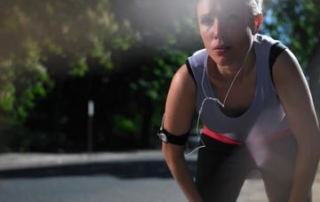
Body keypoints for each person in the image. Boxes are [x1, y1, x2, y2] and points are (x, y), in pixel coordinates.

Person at [157, 0, 320, 201]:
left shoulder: (279, 63)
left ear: (256, 23)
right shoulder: (187, 79)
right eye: (207, 20)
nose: (218, 32)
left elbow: (311, 142)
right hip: (220, 143)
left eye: (231, 18)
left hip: (279, 143)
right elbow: (171, 150)